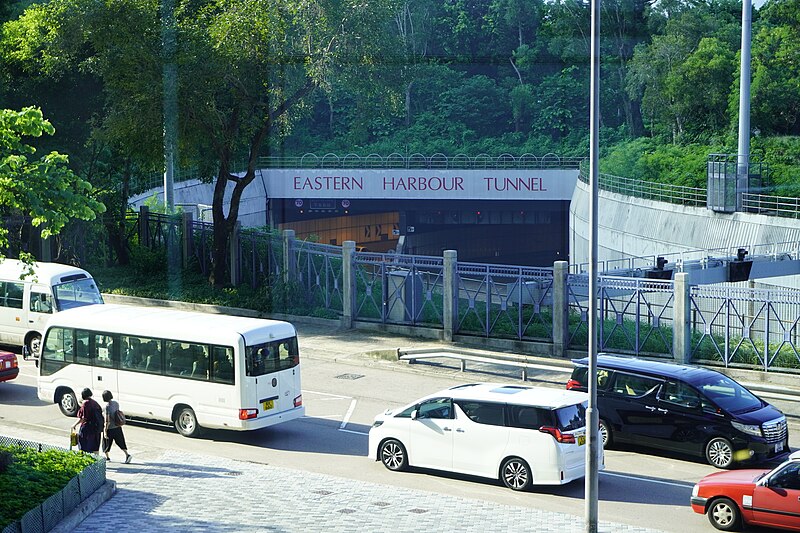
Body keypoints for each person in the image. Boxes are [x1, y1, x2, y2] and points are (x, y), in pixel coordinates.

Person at [101, 390, 132, 463]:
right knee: (120, 442)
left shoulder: (107, 407)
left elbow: (107, 420)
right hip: (117, 426)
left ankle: (107, 457)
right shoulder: (116, 403)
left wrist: (105, 431)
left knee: (106, 443)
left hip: (110, 428)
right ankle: (127, 455)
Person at [72, 388, 102, 454]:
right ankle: (97, 462)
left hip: (87, 428)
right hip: (96, 429)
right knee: (95, 446)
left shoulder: (86, 404)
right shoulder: (95, 403)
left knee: (84, 445)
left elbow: (83, 418)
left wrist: (74, 425)